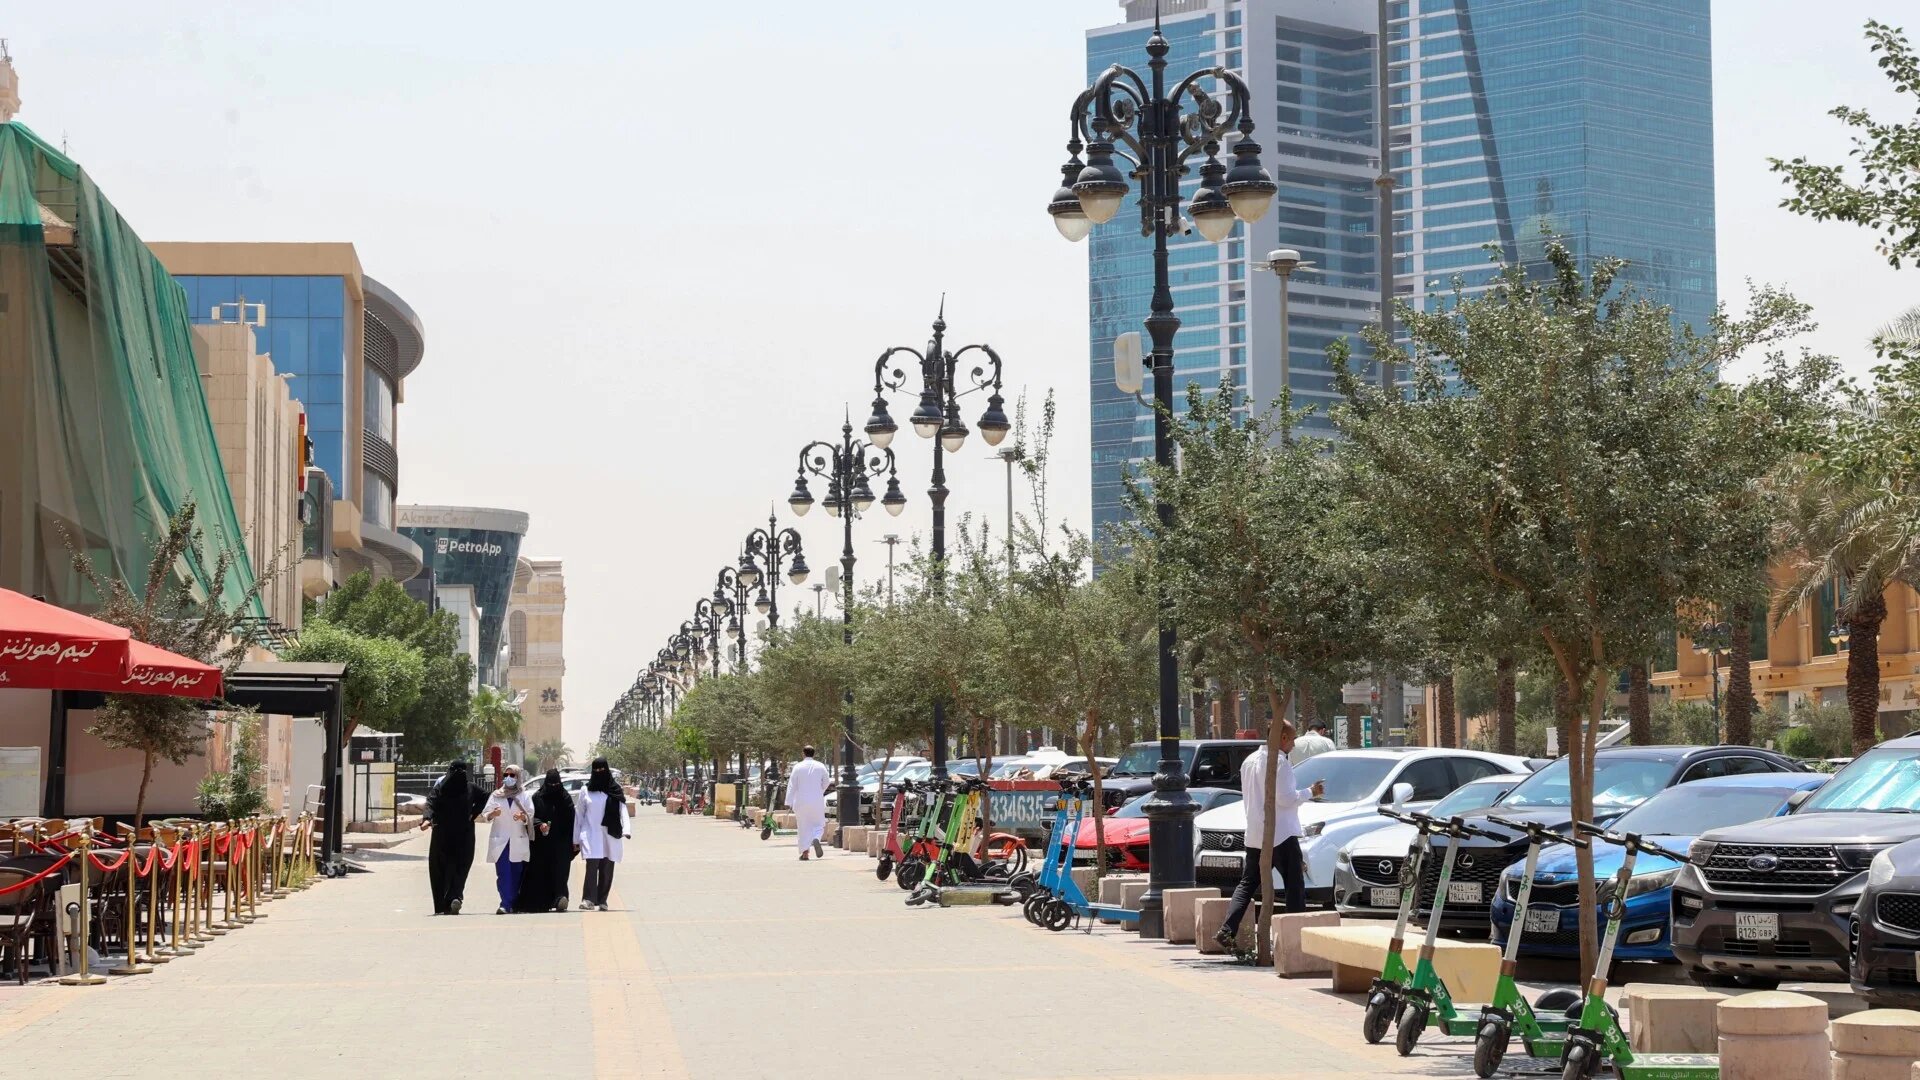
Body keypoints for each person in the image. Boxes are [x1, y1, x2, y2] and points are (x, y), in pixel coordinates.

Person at [1215, 722, 1325, 950]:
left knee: (1247, 884)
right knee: (1294, 885)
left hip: (1256, 834)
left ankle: (1227, 929)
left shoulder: (1250, 761)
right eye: (1292, 740)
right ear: (1282, 738)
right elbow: (1285, 798)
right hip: (1281, 833)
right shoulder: (1279, 763)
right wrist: (1310, 792)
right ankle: (1297, 936)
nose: (1293, 745)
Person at [422, 760, 488, 915]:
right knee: (453, 867)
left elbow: (487, 796)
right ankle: (453, 897)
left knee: (453, 867)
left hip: (448, 835)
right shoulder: (448, 788)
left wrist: (475, 812)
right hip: (454, 835)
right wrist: (427, 818)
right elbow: (431, 802)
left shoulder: (465, 787)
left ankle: (452, 899)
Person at [516, 768, 577, 913]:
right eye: (551, 784)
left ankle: (560, 898)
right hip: (542, 844)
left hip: (562, 843)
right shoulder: (538, 797)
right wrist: (540, 825)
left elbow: (573, 820)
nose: (554, 787)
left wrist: (575, 841)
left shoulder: (565, 798)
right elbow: (531, 816)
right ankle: (542, 902)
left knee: (561, 872)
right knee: (542, 872)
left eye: (557, 784)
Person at [575, 757, 630, 910]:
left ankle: (602, 900)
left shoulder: (614, 789)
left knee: (607, 867)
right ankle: (588, 899)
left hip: (610, 834)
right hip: (591, 833)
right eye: (596, 770)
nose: (599, 772)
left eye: (602, 769)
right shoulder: (586, 790)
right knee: (591, 867)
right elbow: (579, 815)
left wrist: (626, 830)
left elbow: (622, 810)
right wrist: (575, 838)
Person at [482, 764, 536, 914]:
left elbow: (530, 814)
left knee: (516, 873)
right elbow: (485, 814)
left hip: (517, 839)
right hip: (500, 840)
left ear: (518, 777)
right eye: (506, 775)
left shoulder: (524, 795)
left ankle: (513, 901)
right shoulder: (496, 795)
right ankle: (505, 903)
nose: (508, 778)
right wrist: (493, 814)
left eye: (512, 775)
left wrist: (522, 817)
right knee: (503, 873)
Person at [785, 745, 831, 860]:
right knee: (819, 824)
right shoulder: (820, 766)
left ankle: (805, 853)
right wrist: (820, 791)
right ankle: (816, 837)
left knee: (803, 827)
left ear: (803, 754)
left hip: (800, 802)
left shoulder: (798, 767)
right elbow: (827, 782)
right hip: (816, 801)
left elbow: (792, 785)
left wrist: (788, 802)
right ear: (814, 754)